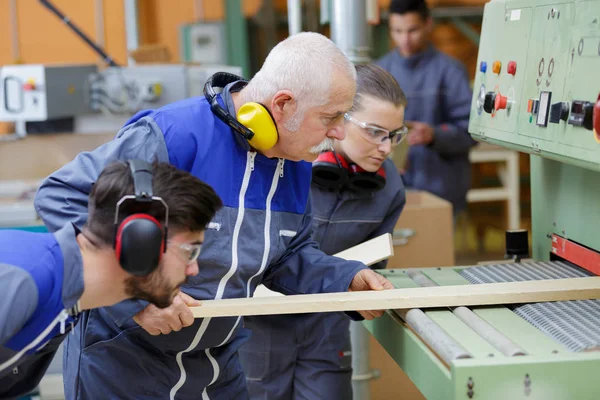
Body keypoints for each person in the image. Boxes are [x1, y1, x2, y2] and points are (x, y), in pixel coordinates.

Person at [33, 32, 393, 399]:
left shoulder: (295, 163)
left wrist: (345, 279)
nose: (339, 132)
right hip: (124, 365)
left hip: (216, 367)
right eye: (331, 117)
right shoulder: (174, 136)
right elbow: (63, 196)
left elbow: (288, 255)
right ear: (283, 105)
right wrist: (139, 298)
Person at [239, 64, 408, 399]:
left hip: (326, 329)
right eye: (375, 132)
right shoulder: (281, 166)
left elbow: (373, 267)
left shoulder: (389, 189)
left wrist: (368, 292)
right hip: (259, 327)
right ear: (338, 119)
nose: (386, 147)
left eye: (394, 135)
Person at [1, 160, 222, 400]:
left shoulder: (65, 301)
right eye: (190, 251)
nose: (193, 269)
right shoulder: (22, 281)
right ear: (141, 242)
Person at [376, 0, 477, 216]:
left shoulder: (451, 72)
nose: (405, 39)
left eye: (412, 30)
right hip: (389, 192)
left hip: (442, 192)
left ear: (428, 24)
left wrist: (434, 135)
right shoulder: (380, 74)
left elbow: (471, 131)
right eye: (397, 31)